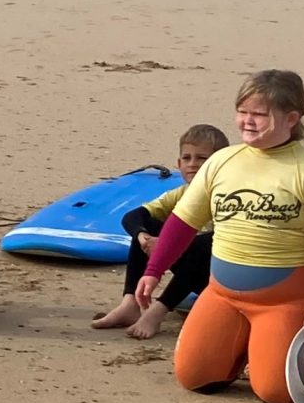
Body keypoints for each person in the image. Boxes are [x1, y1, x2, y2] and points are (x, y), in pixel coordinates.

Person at [135, 71, 304, 403]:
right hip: (222, 294)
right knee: (196, 379)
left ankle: (276, 348)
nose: (247, 122)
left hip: (284, 301)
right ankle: (246, 348)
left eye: (260, 114)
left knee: (277, 394)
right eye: (243, 111)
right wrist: (153, 270)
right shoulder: (223, 161)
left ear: (291, 118)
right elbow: (183, 222)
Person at [93, 123, 228, 339]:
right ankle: (130, 303)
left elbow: (221, 242)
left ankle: (157, 311)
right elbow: (133, 216)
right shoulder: (182, 193)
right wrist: (142, 236)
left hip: (220, 276)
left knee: (201, 247)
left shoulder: (227, 194)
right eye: (187, 158)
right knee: (148, 229)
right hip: (192, 272)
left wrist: (168, 245)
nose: (193, 164)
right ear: (178, 163)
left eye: (202, 158)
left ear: (219, 163)